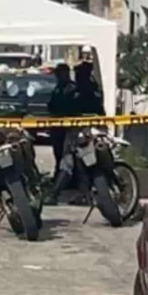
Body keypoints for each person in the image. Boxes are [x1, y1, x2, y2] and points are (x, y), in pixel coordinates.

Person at [43, 63, 82, 205]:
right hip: (58, 128)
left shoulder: (73, 89)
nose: (58, 76)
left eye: (59, 73)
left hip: (70, 129)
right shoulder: (58, 88)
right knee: (59, 155)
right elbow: (52, 105)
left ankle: (60, 189)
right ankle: (61, 179)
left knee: (68, 159)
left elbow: (72, 108)